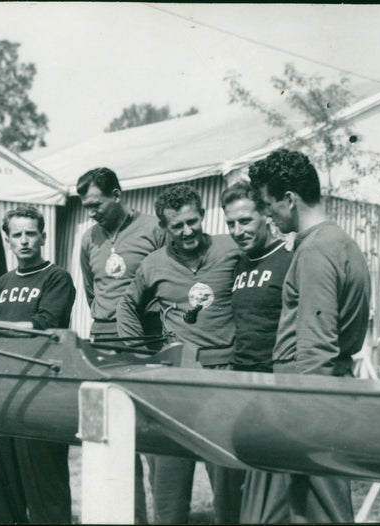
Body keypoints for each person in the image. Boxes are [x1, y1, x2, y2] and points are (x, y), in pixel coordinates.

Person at [248, 149, 371, 523]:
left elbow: (317, 347)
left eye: (268, 204)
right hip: (318, 390)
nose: (267, 214)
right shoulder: (341, 242)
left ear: (289, 199)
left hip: (307, 395)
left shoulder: (316, 250)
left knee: (323, 512)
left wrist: (307, 418)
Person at [117, 184, 245, 524]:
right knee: (169, 489)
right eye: (177, 226)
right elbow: (126, 307)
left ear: (202, 215)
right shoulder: (153, 264)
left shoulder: (231, 248)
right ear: (164, 227)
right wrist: (142, 359)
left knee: (230, 487)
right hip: (177, 381)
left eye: (192, 221)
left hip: (225, 376)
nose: (187, 231)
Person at [0, 205, 76, 524]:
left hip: (42, 392)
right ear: (7, 240)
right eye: (17, 235)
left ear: (43, 237)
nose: (24, 241)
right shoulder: (3, 282)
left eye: (31, 234)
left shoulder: (57, 277)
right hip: (5, 392)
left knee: (45, 487)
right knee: (5, 487)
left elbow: (44, 326)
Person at [77, 167, 167, 523]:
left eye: (96, 204)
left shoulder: (153, 229)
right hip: (104, 341)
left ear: (117, 195)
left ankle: (165, 516)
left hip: (145, 340)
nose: (91, 212)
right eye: (86, 206)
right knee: (114, 438)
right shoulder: (89, 238)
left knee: (153, 437)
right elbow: (92, 290)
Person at [221, 181, 291, 524]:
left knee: (274, 501)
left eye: (245, 220)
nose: (238, 231)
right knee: (240, 490)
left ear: (265, 214)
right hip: (240, 387)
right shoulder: (238, 265)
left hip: (275, 389)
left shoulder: (289, 260)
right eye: (231, 223)